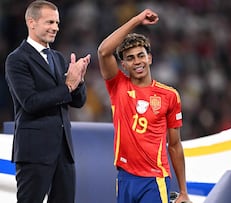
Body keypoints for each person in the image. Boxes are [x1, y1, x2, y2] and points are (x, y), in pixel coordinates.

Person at [97, 9, 191, 203]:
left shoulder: (169, 95)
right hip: (124, 177)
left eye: (141, 55)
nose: (137, 62)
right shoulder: (118, 86)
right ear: (123, 64)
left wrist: (183, 191)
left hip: (154, 179)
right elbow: (104, 51)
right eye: (130, 58)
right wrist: (137, 20)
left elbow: (174, 145)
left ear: (150, 58)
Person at [5, 1, 91, 202]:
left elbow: (78, 102)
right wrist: (68, 86)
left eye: (57, 23)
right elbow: (30, 102)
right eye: (50, 22)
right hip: (34, 151)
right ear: (31, 22)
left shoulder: (59, 58)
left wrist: (79, 81)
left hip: (64, 152)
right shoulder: (17, 59)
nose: (56, 28)